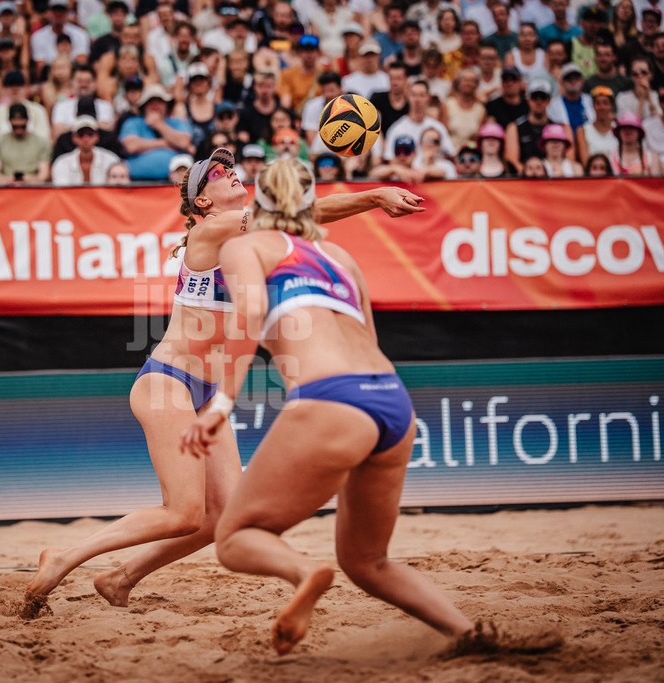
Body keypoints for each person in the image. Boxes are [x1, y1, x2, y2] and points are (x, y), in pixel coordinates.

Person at [23, 148, 430, 616]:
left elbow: (296, 221)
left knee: (221, 519)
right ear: (202, 203)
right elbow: (302, 213)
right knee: (182, 512)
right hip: (167, 382)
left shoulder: (249, 241)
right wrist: (374, 196)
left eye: (231, 168)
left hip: (205, 391)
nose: (232, 173)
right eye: (218, 174)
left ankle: (120, 578)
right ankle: (64, 557)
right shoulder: (212, 229)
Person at [178, 157, 477, 657]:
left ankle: (305, 571)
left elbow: (248, 318)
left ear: (262, 205)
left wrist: (219, 406)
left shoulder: (246, 245)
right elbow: (370, 338)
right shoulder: (340, 257)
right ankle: (471, 635)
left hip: (334, 401)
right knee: (368, 563)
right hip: (392, 403)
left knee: (234, 538)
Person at [120, 83, 193, 181]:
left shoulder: (177, 122)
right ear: (144, 106)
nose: (155, 105)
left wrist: (159, 124)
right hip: (137, 183)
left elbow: (183, 142)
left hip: (174, 183)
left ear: (167, 105)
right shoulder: (133, 122)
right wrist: (167, 143)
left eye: (159, 101)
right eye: (150, 102)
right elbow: (131, 146)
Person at [0, 103, 52, 185]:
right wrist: (9, 180)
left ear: (28, 120)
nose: (18, 129)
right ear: (9, 121)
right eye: (15, 126)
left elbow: (43, 176)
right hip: (6, 187)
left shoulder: (41, 143)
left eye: (22, 126)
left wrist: (29, 180)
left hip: (34, 188)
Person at [50, 114, 122, 186]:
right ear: (74, 138)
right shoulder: (61, 163)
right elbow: (61, 192)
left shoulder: (111, 160)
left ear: (97, 136)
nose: (86, 139)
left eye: (90, 134)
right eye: (81, 134)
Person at [576, 84, 619, 162]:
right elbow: (586, 162)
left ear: (611, 105)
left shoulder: (619, 130)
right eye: (597, 103)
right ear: (593, 105)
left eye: (605, 103)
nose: (601, 107)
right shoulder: (582, 130)